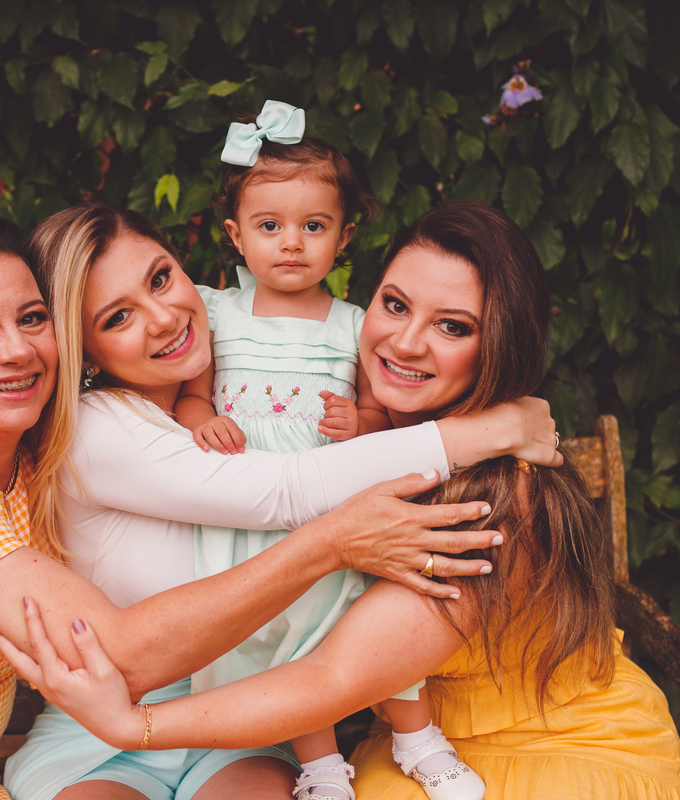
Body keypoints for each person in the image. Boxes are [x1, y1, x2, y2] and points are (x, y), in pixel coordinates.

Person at [0, 209, 544, 800]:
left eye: (29, 320)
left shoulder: (34, 455)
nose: (16, 351)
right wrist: (365, 519)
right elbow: (120, 650)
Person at [0, 203, 680, 800]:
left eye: (454, 326)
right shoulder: (109, 428)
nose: (165, 316)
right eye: (394, 305)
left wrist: (134, 724)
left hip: (496, 749)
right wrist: (483, 427)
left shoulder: (492, 489)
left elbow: (335, 673)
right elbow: (286, 495)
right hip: (334, 740)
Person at [172, 101, 469, 800]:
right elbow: (191, 394)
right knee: (279, 637)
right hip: (245, 514)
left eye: (314, 226)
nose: (291, 244)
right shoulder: (216, 313)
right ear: (235, 236)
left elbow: (378, 416)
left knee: (355, 620)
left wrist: (357, 423)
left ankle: (417, 736)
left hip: (332, 510)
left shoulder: (356, 324)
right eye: (269, 226)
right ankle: (321, 765)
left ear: (344, 236)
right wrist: (199, 420)